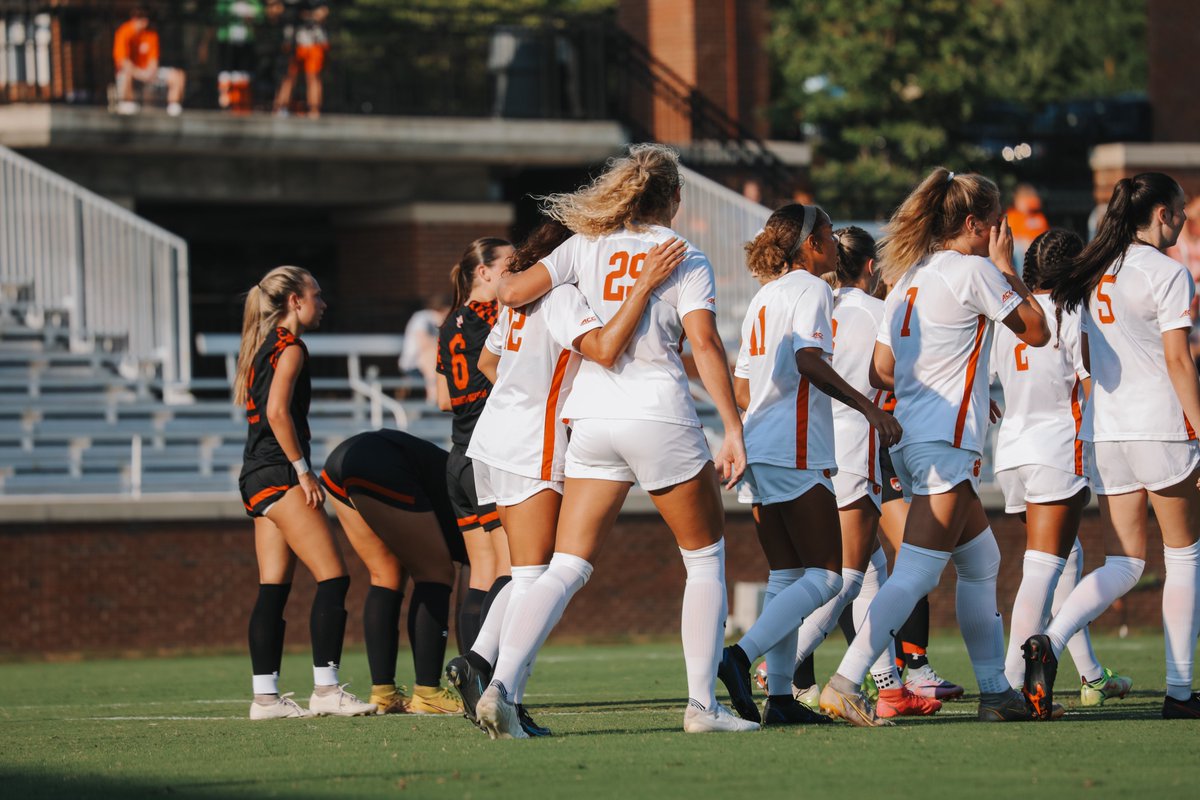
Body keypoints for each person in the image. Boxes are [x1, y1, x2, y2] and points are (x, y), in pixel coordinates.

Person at [478, 143, 757, 736]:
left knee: (566, 566)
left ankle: (500, 687)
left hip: (592, 418)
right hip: (659, 415)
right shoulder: (684, 254)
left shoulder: (584, 245)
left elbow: (511, 292)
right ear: (675, 197)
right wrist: (732, 428)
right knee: (704, 560)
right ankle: (702, 707)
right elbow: (705, 344)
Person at [818, 167, 1050, 726]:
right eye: (995, 224)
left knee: (982, 561)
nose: (1000, 232)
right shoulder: (976, 271)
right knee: (917, 572)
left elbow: (882, 369)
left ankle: (996, 693)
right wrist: (1006, 269)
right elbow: (1038, 330)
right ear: (972, 224)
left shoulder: (909, 276)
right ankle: (845, 682)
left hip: (914, 436)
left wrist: (934, 383)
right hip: (944, 441)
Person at [450, 220, 688, 737]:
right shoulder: (561, 296)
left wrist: (524, 389)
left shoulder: (520, 300)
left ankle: (477, 660)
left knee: (524, 572)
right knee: (535, 577)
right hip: (532, 442)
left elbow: (489, 361)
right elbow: (601, 348)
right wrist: (643, 286)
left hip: (494, 438)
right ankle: (507, 697)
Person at [715, 208, 906, 727]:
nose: (832, 245)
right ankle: (740, 655)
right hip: (796, 446)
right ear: (809, 245)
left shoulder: (763, 295)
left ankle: (780, 698)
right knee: (827, 577)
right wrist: (868, 408)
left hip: (760, 443)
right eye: (825, 235)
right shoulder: (814, 289)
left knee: (787, 575)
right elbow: (807, 360)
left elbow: (743, 388)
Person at [1024, 172, 1200, 720]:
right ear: (1162, 214)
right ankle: (1179, 692)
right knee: (1184, 556)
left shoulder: (1094, 270)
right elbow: (1178, 360)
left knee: (1124, 562)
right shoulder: (1168, 272)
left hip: (1107, 430)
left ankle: (1049, 641)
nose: (1185, 220)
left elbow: (1086, 355)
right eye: (1180, 211)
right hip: (1162, 427)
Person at [781, 227, 941, 721]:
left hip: (815, 445)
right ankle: (774, 666)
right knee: (845, 578)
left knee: (871, 571)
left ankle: (889, 688)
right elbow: (897, 372)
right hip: (855, 445)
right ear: (872, 267)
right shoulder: (877, 310)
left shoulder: (819, 304)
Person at [990, 228, 1133, 707]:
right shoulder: (1072, 312)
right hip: (1056, 448)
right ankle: (1009, 684)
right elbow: (1092, 385)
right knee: (1042, 569)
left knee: (1064, 558)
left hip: (1011, 453)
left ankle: (1090, 674)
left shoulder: (1010, 313)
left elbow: (987, 377)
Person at [235, 265, 375, 719]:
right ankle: (326, 689)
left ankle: (265, 699)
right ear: (295, 301)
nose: (323, 303)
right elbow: (278, 413)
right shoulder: (290, 347)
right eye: (316, 294)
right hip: (279, 472)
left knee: (273, 588)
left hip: (255, 475)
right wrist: (303, 471)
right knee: (334, 578)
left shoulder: (261, 346)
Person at [319, 429, 466, 715]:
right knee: (436, 573)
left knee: (385, 574)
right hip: (379, 461)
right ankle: (428, 692)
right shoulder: (475, 491)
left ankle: (383, 693)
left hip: (341, 460)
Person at [436, 239, 512, 659]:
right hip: (486, 454)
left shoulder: (449, 323)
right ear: (483, 272)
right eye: (510, 264)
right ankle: (486, 670)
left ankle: (469, 675)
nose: (517, 271)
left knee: (480, 574)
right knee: (508, 568)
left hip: (458, 454)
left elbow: (442, 399)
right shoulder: (493, 316)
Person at [112, 7, 185, 116]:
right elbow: (123, 61)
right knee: (125, 73)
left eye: (146, 18)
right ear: (133, 18)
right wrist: (139, 74)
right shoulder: (124, 32)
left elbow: (153, 61)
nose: (144, 21)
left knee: (178, 75)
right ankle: (127, 104)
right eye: (140, 17)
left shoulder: (151, 34)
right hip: (133, 73)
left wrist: (149, 72)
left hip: (147, 73)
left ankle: (174, 107)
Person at [274, 0, 329, 118]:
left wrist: (305, 14)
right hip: (292, 41)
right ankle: (281, 108)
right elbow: (275, 11)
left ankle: (314, 110)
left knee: (313, 76)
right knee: (288, 76)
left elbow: (322, 13)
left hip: (313, 41)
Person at [399, 294, 452, 403]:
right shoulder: (423, 318)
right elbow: (424, 342)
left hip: (436, 365)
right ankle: (433, 397)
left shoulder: (438, 321)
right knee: (430, 353)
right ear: (443, 309)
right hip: (414, 365)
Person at [216, 0, 263, 112]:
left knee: (243, 74)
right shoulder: (225, 3)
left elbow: (260, 15)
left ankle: (241, 103)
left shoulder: (253, 3)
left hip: (246, 43)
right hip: (227, 43)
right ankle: (226, 102)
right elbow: (219, 14)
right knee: (225, 74)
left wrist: (251, 15)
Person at [1006, 184, 1049, 269]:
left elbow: (1045, 235)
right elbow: (1009, 236)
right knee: (1018, 250)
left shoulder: (1038, 217)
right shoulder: (1012, 216)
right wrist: (1023, 241)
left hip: (1037, 247)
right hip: (1021, 250)